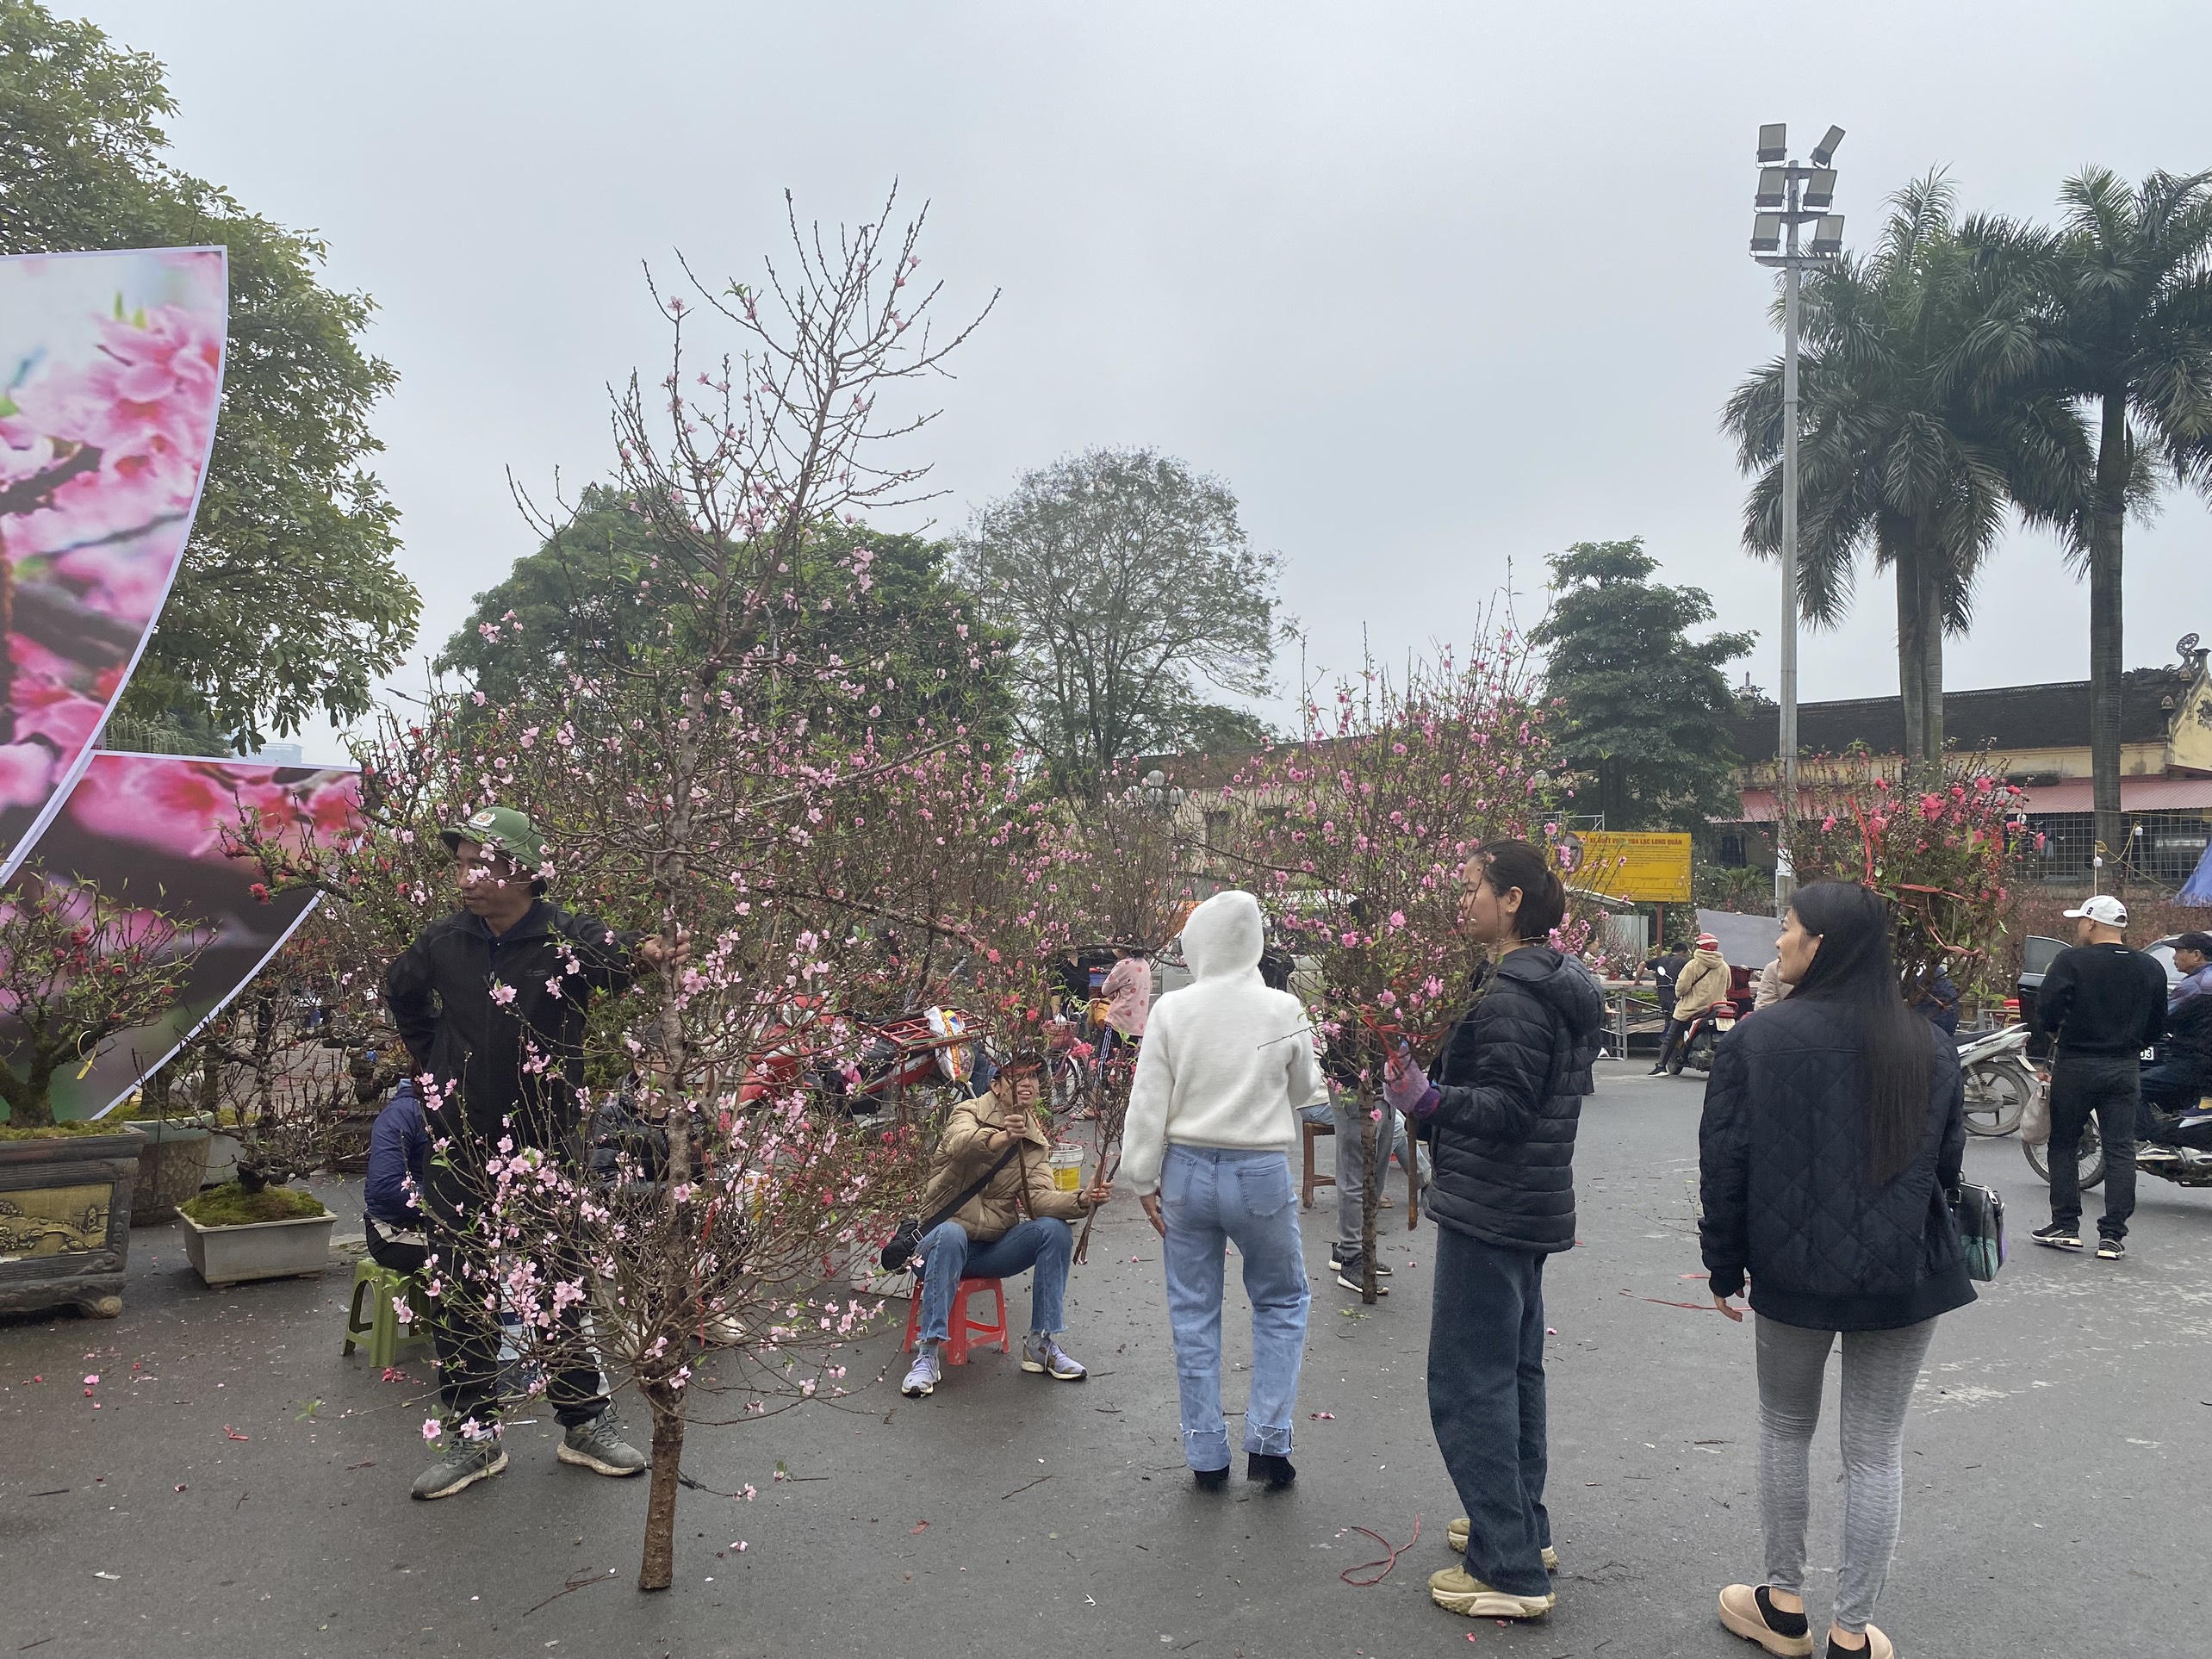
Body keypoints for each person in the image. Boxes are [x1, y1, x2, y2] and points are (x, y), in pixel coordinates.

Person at [1699, 879, 1974, 1659]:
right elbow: (1944, 1168)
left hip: (1792, 1271)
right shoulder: (1929, 1044)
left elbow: (1725, 1164)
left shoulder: (1756, 1041)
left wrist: (1723, 1265)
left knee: (1786, 1426)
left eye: (1788, 927)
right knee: (1876, 1449)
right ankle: (1852, 1633)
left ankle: (1782, 1604)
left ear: (1820, 944)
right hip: (1904, 1271)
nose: (1778, 940)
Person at [385, 805, 687, 1501]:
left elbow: (619, 954)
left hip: (544, 1139)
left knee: (557, 1283)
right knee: (461, 1285)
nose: (466, 878)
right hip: (461, 1143)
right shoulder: (444, 941)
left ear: (523, 872)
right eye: (460, 865)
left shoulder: (563, 935)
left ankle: (583, 1423)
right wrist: (433, 1063)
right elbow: (401, 992)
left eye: (480, 865)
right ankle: (473, 1436)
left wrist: (650, 950)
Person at [1381, 841, 1602, 1622]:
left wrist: (1429, 1101)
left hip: (1493, 1204)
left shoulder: (1513, 993)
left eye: (1473, 885)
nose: (1462, 898)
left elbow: (1508, 1109)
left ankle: (1508, 1568)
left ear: (1512, 900)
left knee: (1470, 1382)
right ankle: (1518, 1528)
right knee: (1512, 1372)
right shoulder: (1551, 981)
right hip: (1525, 1203)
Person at [1125, 890, 1325, 1490]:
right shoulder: (1282, 1008)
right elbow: (1306, 1089)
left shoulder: (1172, 1010)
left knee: (1193, 1310)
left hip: (1185, 1171)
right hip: (1259, 1170)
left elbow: (1148, 1101)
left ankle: (1206, 1455)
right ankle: (1268, 1440)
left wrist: (1142, 1176)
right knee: (1281, 1301)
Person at [900, 1053, 1111, 1399]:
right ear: (996, 1085)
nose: (1028, 1083)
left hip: (990, 1250)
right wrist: (999, 1139)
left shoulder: (1033, 1141)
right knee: (952, 1233)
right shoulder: (967, 1112)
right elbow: (960, 1145)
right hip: (939, 1247)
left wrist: (1082, 1199)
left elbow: (1038, 1200)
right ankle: (928, 1354)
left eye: (1034, 1077)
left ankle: (1041, 1343)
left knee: (1054, 1230)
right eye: (1018, 1076)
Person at [2030, 893, 2168, 1260]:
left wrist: (2053, 1033)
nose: (2079, 926)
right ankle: (2112, 1236)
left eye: (2081, 920)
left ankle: (2065, 1226)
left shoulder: (2071, 961)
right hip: (2124, 1067)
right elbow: (2158, 1024)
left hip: (2077, 1063)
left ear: (2091, 922)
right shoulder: (2150, 967)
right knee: (2120, 1148)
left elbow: (2047, 1010)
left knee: (2064, 1143)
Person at [2139, 931, 2212, 1140]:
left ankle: (2152, 1140)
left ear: (2196, 955)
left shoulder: (2195, 984)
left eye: (2179, 951)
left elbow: (2161, 1020)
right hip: (2204, 1066)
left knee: (2130, 1088)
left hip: (2195, 1063)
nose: (2174, 957)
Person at [362, 1078, 430, 1275]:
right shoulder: (402, 1113)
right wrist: (448, 1203)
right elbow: (385, 1186)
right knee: (463, 1255)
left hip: (443, 1224)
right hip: (394, 1230)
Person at [1652, 933, 1729, 1075]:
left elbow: (1681, 988)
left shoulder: (1693, 965)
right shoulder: (1724, 966)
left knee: (1672, 1033)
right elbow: (1728, 985)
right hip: (1718, 1008)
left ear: (1699, 946)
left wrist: (1679, 994)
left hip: (1694, 1008)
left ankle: (1661, 1066)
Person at [1098, 945, 1152, 1063]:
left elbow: (1105, 990)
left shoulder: (1124, 965)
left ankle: (1101, 1076)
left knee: (1105, 1059)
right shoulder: (1145, 965)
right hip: (1137, 1025)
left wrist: (1115, 993)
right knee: (1128, 1063)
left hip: (1118, 1022)